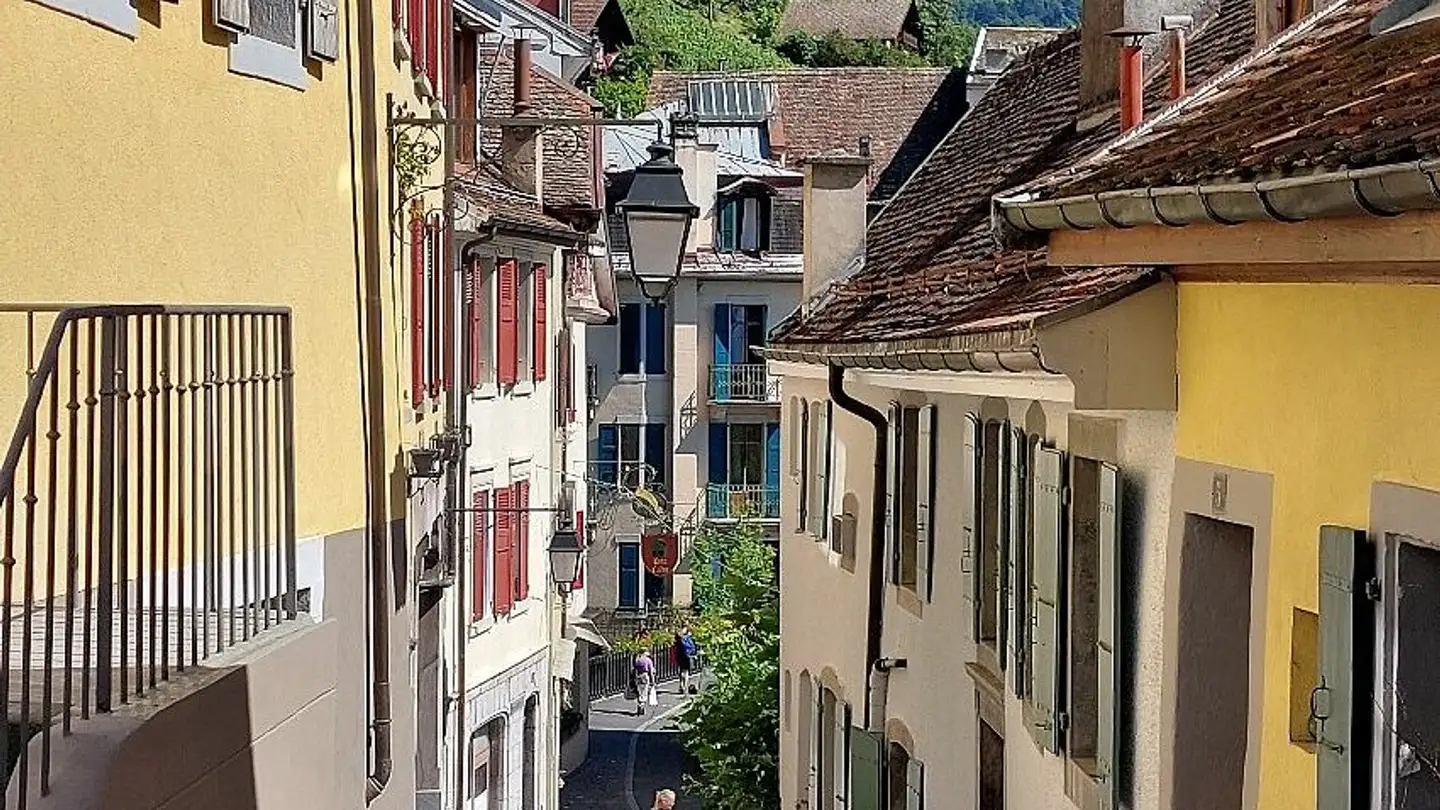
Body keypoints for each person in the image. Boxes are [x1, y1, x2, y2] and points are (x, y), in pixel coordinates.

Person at [675, 626, 700, 694]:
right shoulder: (687, 637)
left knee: (681, 670)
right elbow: (692, 646)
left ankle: (681, 685)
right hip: (687, 656)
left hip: (679, 655)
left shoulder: (678, 637)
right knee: (686, 672)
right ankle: (685, 686)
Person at [633, 648, 657, 715]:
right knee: (644, 692)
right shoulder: (648, 660)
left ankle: (639, 703)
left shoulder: (638, 660)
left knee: (639, 691)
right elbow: (651, 672)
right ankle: (642, 705)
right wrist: (653, 681)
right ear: (645, 652)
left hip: (638, 676)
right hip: (645, 676)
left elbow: (634, 669)